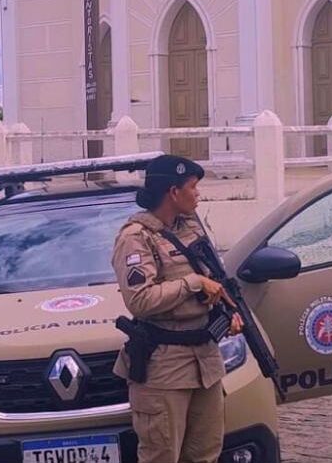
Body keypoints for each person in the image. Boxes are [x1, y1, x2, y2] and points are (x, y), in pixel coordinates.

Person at [112, 154, 243, 463]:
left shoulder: (192, 229)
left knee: (205, 454)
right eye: (193, 187)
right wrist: (193, 283)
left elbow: (214, 278)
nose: (198, 194)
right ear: (173, 192)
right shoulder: (135, 238)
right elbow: (140, 299)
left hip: (205, 362)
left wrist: (227, 312)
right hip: (164, 369)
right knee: (162, 456)